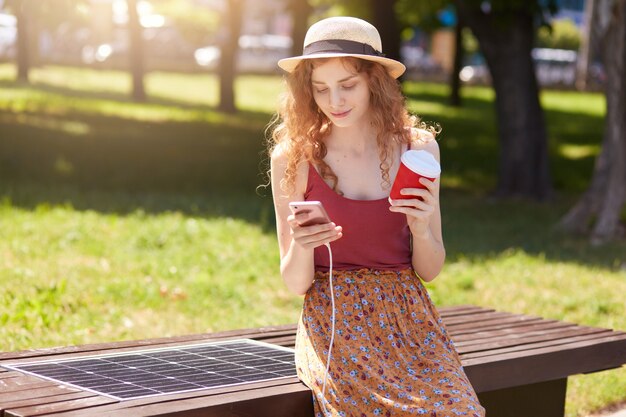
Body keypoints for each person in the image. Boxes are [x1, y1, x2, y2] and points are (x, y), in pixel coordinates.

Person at [268, 16, 485, 417]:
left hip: (409, 319)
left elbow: (430, 269)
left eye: (347, 85)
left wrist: (421, 226)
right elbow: (296, 282)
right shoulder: (293, 158)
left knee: (459, 412)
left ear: (375, 81)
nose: (335, 101)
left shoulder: (417, 149)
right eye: (321, 89)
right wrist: (303, 244)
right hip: (334, 320)